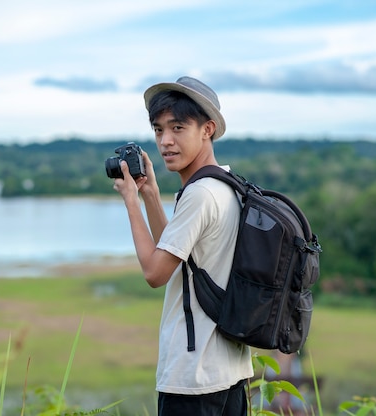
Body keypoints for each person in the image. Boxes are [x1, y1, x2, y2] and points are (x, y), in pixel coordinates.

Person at [112, 76, 254, 416]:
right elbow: (179, 258)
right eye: (159, 130)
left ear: (207, 129)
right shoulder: (225, 183)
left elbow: (155, 272)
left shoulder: (200, 194)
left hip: (193, 379)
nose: (166, 141)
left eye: (178, 128)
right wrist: (149, 194)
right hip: (229, 374)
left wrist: (130, 201)